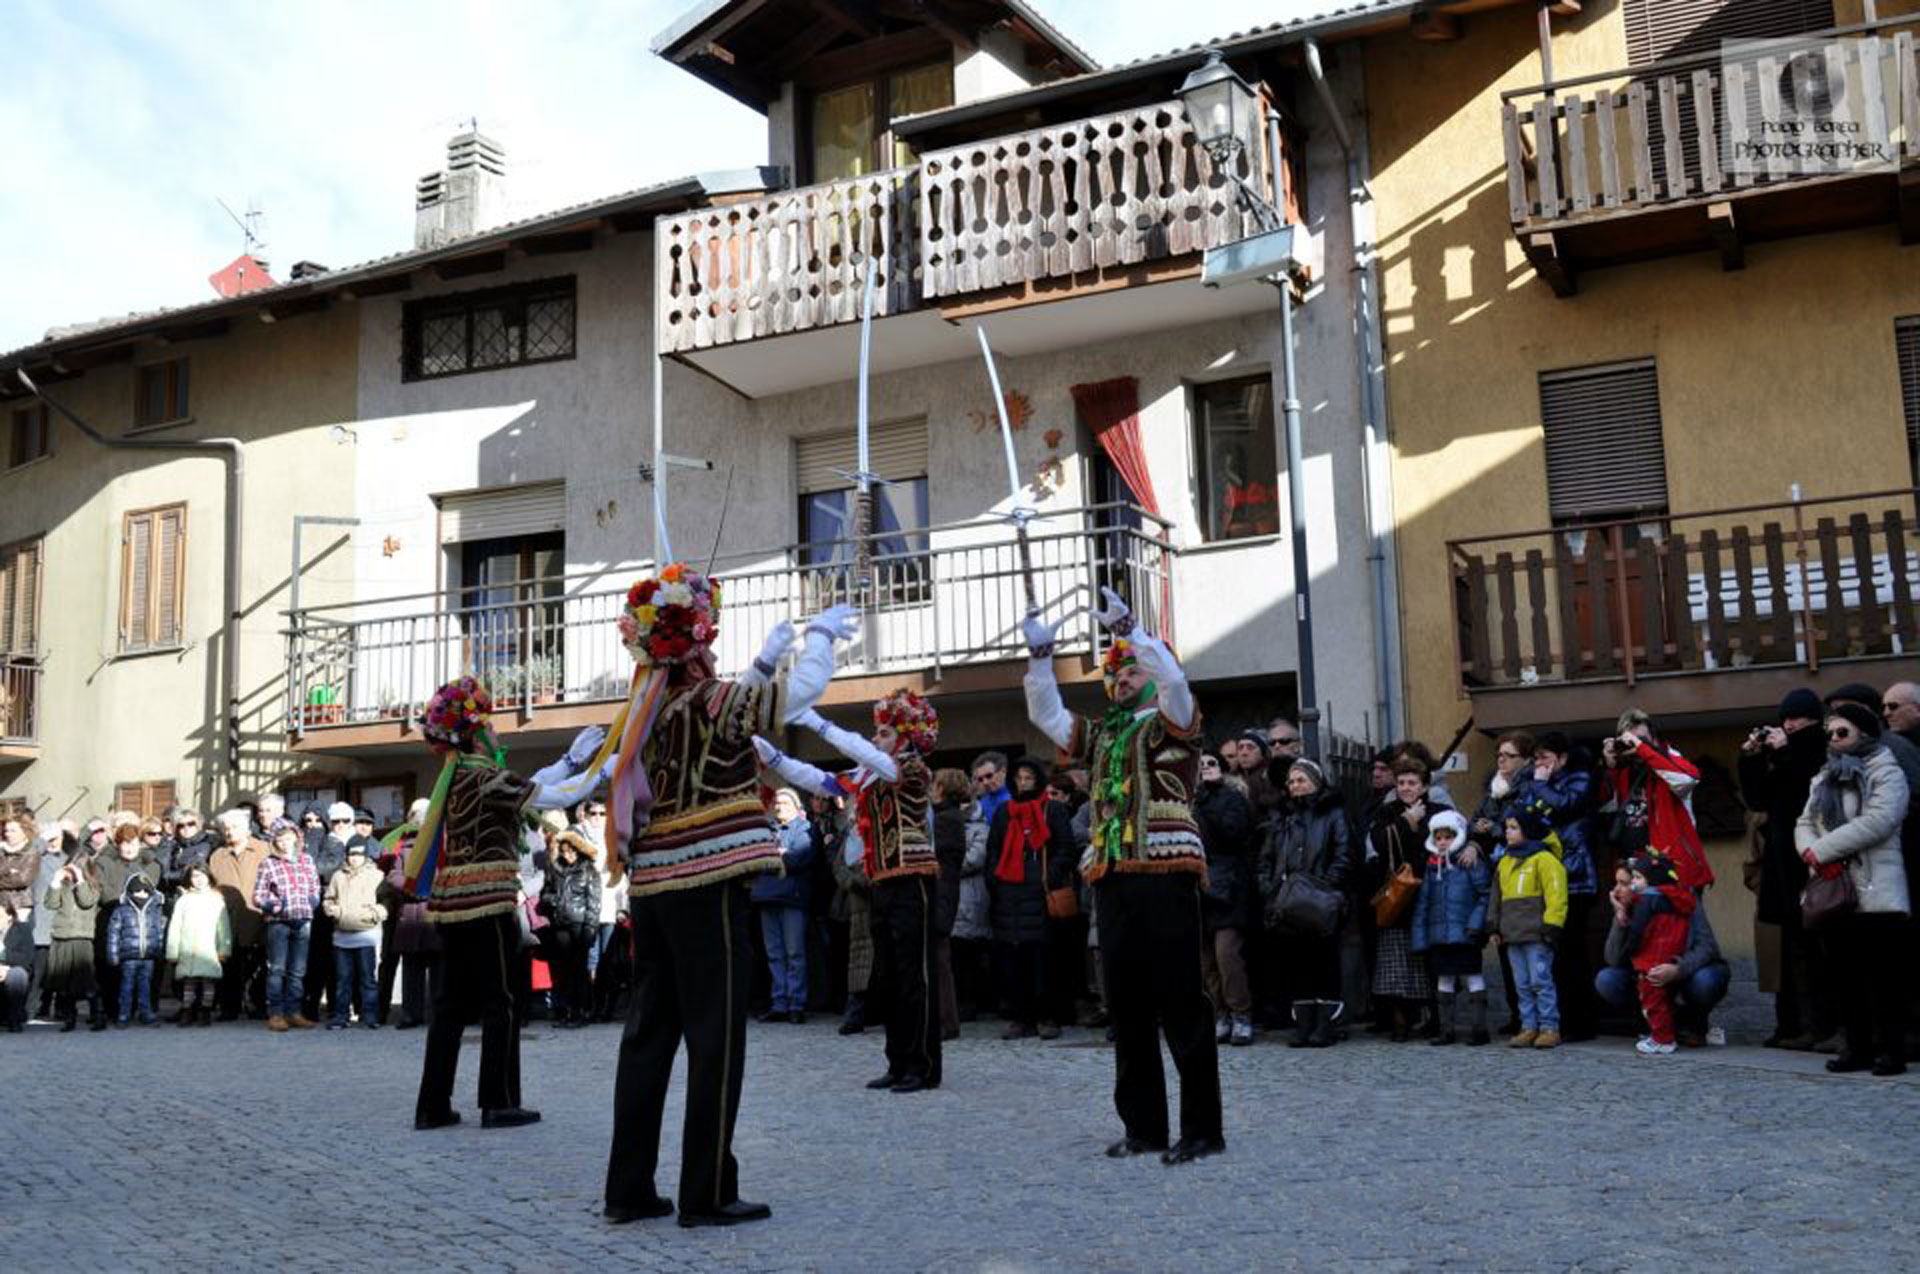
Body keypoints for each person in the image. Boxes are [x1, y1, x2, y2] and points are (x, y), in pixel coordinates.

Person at [601, 567, 852, 1228]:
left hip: (652, 884)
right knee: (716, 1037)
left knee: (648, 1036)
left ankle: (628, 1188)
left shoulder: (644, 715)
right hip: (707, 880)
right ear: (697, 644)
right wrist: (822, 638)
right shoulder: (711, 698)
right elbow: (793, 696)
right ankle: (707, 1191)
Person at [1024, 588, 1223, 1166]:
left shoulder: (1172, 720)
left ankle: (1203, 1130)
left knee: (1181, 1000)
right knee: (1127, 1005)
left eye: (1131, 669)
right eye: (1114, 673)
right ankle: (1144, 1127)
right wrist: (1040, 660)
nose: (1122, 678)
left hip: (1166, 869)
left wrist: (1132, 630)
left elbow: (1175, 682)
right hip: (1111, 874)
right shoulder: (1104, 734)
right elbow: (1048, 716)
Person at [409, 679, 609, 1133]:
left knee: (449, 1006)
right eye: (490, 726)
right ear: (476, 734)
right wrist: (597, 769)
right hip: (489, 902)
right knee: (501, 1000)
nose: (496, 733)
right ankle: (498, 1102)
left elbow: (533, 785)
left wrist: (572, 761)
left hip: (452, 904)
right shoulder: (485, 775)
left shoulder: (458, 776)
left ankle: (432, 1105)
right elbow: (552, 796)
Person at [756, 687, 944, 1091]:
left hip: (912, 877)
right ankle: (898, 1061)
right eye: (876, 733)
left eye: (884, 733)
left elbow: (864, 754)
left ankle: (922, 1065)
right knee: (888, 974)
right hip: (880, 879)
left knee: (914, 975)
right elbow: (821, 781)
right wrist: (774, 759)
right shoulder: (870, 774)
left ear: (906, 737)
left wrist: (816, 722)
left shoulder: (911, 768)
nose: (875, 739)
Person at [1797, 701, 1911, 1076]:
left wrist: (1822, 850)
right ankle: (1857, 1048)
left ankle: (1892, 1051)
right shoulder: (1823, 776)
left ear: (1863, 732)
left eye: (1842, 731)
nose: (1834, 738)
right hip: (1836, 888)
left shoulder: (1885, 770)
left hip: (1877, 890)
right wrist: (1811, 853)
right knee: (1845, 978)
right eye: (1829, 732)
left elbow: (1879, 821)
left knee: (1885, 979)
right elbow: (1805, 822)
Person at [1738, 689, 1833, 1048]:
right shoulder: (1787, 755)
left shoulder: (1818, 751)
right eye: (1785, 719)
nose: (1789, 725)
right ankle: (1794, 1025)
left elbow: (1808, 788)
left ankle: (1820, 1026)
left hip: (1810, 865)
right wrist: (1750, 759)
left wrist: (1783, 752)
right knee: (1790, 950)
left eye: (1796, 718)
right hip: (1781, 868)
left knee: (1816, 952)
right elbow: (1758, 798)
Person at [1258, 757, 1356, 1048]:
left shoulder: (1334, 814)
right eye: (1291, 781)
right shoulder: (1283, 817)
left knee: (1325, 962)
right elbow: (1266, 858)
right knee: (1297, 964)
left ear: (1316, 781)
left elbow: (1344, 854)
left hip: (1322, 901)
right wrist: (1270, 890)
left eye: (1301, 780)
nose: (1295, 786)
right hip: (1287, 903)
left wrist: (1323, 889)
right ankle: (1303, 1023)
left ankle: (1326, 1023)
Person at [980, 755, 1075, 1042]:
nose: (1023, 783)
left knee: (1043, 957)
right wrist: (995, 878)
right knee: (1013, 957)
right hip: (1009, 891)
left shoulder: (1053, 809)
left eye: (1029, 778)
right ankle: (1021, 1017)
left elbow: (1065, 847)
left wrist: (1050, 876)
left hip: (1040, 890)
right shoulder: (1004, 812)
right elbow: (993, 849)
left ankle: (1047, 1016)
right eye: (1019, 778)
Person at [1514, 731, 1601, 1041]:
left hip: (1574, 877)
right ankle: (1552, 1021)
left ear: (1562, 758)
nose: (1539, 763)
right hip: (1543, 878)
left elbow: (1566, 805)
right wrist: (1532, 785)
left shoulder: (1579, 779)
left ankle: (1581, 1023)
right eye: (1536, 758)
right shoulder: (1535, 783)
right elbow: (1524, 819)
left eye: (1545, 757)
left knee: (1572, 953)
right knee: (1549, 956)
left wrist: (1539, 786)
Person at [1596, 862, 1729, 1051]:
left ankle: (1690, 1024)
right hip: (1648, 971)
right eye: (1616, 882)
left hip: (1685, 970)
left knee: (1705, 981)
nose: (1616, 890)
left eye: (1624, 883)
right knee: (1607, 979)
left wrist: (1678, 969)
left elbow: (1707, 946)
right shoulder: (1630, 907)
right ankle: (1653, 1024)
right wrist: (1620, 917)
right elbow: (1613, 959)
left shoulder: (1682, 899)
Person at [1368, 758, 1446, 1041]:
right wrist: (1406, 821)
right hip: (1399, 897)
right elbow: (1379, 842)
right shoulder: (1386, 812)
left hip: (1431, 894)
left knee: (1428, 962)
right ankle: (1399, 1021)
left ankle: (1433, 1018)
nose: (1405, 788)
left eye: (1412, 783)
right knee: (1396, 963)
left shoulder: (1439, 812)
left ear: (1424, 786)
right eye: (1401, 783)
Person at [1487, 804, 1568, 1049]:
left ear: (1529, 830)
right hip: (1512, 935)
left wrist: (1551, 926)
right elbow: (1496, 897)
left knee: (1540, 981)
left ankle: (1549, 1027)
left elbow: (1556, 895)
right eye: (1506, 828)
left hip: (1537, 934)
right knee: (1521, 984)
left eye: (1513, 827)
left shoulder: (1545, 859)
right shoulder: (1505, 861)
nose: (1507, 832)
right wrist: (1493, 927)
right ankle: (1528, 1026)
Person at [1410, 810, 1492, 1046]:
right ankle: (1446, 1030)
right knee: (1444, 980)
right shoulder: (1431, 866)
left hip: (1467, 934)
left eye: (1448, 837)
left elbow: (1485, 895)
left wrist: (1475, 925)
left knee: (1473, 976)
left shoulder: (1470, 862)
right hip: (1440, 936)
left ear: (1458, 837)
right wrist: (1420, 938)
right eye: (1438, 838)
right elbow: (1423, 903)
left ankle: (1479, 1030)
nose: (1443, 842)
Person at [1605, 709, 1710, 890]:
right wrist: (1611, 766)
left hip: (1673, 870)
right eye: (1629, 740)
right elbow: (1604, 809)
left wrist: (1643, 749)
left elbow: (1688, 779)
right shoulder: (1623, 770)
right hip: (1635, 870)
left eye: (1641, 739)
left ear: (1654, 739)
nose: (1635, 745)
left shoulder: (1668, 757)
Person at [1195, 750, 1256, 1046]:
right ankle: (1220, 1013)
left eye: (1212, 763)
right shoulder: (1188, 801)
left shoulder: (1232, 798)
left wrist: (1206, 802)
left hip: (1228, 887)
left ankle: (1240, 1014)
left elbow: (1233, 834)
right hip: (1198, 886)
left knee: (1227, 955)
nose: (1206, 768)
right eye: (1200, 764)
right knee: (1206, 961)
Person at [749, 789, 813, 1026]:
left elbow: (799, 859)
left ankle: (796, 1004)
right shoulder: (767, 829)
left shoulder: (805, 829)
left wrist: (774, 856)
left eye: (785, 803)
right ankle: (779, 1004)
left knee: (794, 953)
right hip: (767, 898)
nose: (779, 807)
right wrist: (780, 855)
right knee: (774, 954)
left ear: (796, 807)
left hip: (792, 898)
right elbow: (757, 859)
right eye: (777, 803)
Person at [254, 819, 321, 1032]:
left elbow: (315, 885)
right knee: (277, 969)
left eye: (288, 837)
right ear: (274, 841)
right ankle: (276, 1013)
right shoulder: (268, 863)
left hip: (303, 920)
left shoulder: (306, 860)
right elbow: (258, 894)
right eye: (280, 839)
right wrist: (274, 906)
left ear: (296, 837)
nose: (284, 843)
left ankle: (294, 1012)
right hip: (279, 922)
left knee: (298, 970)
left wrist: (313, 901)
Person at [208, 811, 268, 1021]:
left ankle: (259, 1005)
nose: (229, 831)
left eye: (234, 827)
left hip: (259, 917)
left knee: (260, 967)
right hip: (228, 920)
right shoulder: (217, 856)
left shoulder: (264, 850)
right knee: (231, 966)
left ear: (247, 829)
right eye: (226, 828)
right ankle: (229, 1008)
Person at [539, 829, 602, 1028]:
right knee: (563, 970)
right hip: (560, 924)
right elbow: (545, 893)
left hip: (580, 924)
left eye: (571, 851)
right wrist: (554, 900)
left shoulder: (589, 870)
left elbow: (594, 903)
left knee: (579, 970)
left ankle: (581, 1011)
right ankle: (567, 1011)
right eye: (564, 851)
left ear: (578, 850)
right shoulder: (555, 868)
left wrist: (590, 929)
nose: (567, 855)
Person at [323, 839, 387, 1030]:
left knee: (368, 979)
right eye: (352, 854)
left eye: (359, 854)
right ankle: (341, 1016)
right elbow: (328, 898)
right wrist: (334, 911)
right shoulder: (338, 876)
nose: (355, 858)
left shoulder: (377, 875)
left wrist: (376, 913)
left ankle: (370, 1016)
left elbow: (387, 900)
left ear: (365, 856)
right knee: (343, 979)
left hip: (367, 934)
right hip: (342, 936)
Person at [930, 767, 970, 1040]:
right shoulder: (948, 817)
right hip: (945, 891)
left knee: (939, 959)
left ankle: (946, 1020)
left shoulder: (946, 819)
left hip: (941, 892)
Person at [45, 844, 103, 1031]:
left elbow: (86, 901)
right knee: (63, 983)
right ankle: (69, 1018)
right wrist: (55, 882)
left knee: (86, 981)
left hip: (81, 939)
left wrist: (80, 880)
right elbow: (50, 904)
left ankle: (98, 1015)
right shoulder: (63, 886)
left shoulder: (92, 887)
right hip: (61, 937)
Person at [165, 862, 230, 1027]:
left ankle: (205, 1011)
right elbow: (175, 926)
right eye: (195, 876)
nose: (199, 879)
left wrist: (224, 949)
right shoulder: (184, 900)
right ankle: (187, 1010)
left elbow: (223, 928)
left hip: (209, 949)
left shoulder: (217, 899)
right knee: (189, 983)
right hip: (188, 948)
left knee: (208, 983)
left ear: (209, 877)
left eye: (202, 875)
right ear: (189, 879)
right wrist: (172, 951)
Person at [105, 873, 166, 1026]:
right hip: (129, 957)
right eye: (137, 891)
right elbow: (113, 934)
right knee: (126, 986)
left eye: (145, 891)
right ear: (130, 892)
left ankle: (145, 1012)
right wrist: (113, 955)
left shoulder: (155, 910)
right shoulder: (121, 911)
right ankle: (123, 1014)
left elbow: (159, 932)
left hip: (148, 956)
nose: (141, 894)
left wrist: (160, 951)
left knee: (146, 986)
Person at [0, 903, 31, 1031]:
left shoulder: (23, 930)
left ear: (9, 915)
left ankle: (14, 1018)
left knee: (18, 975)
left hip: (12, 969)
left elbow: (27, 959)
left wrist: (4, 956)